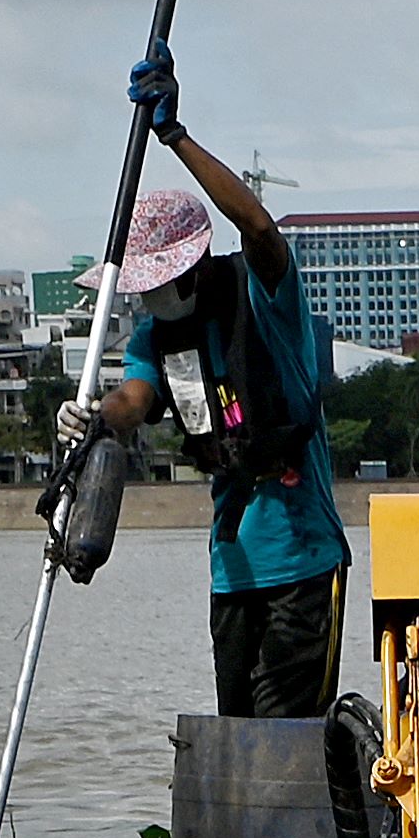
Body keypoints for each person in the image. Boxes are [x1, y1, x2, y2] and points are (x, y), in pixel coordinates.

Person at [76, 49, 347, 713]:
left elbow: (257, 225)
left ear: (189, 269)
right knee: (236, 740)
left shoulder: (263, 297)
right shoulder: (154, 338)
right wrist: (95, 419)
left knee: (287, 743)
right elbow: (134, 400)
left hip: (301, 562)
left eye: (155, 283)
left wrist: (174, 136)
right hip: (232, 571)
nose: (148, 299)